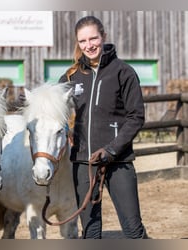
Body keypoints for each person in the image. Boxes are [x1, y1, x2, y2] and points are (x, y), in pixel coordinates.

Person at [59, 16, 148, 239]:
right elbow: (52, 107)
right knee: (90, 232)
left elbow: (136, 117)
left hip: (118, 162)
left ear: (103, 37)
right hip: (83, 163)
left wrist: (111, 149)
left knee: (133, 229)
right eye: (82, 41)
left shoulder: (123, 72)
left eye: (93, 38)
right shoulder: (71, 76)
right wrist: (66, 129)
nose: (88, 45)